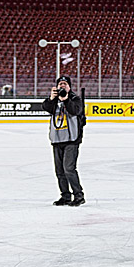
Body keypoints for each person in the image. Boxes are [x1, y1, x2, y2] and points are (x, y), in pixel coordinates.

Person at [42, 75, 85, 206]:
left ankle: (78, 195)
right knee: (59, 171)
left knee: (69, 169)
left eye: (65, 84)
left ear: (70, 86)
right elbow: (45, 107)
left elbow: (75, 110)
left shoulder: (75, 99)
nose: (62, 86)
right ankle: (65, 196)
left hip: (71, 140)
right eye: (60, 84)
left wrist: (66, 99)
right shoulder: (54, 100)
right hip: (57, 139)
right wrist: (52, 98)